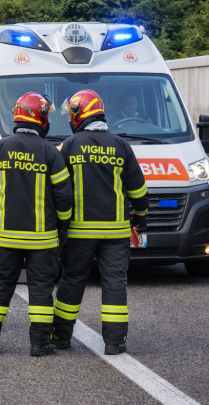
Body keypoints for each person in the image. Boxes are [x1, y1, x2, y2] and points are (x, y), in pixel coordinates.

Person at [0, 92, 73, 357]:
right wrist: (63, 226)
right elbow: (64, 196)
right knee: (41, 290)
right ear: (41, 119)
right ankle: (40, 344)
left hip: (6, 238)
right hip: (43, 240)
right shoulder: (50, 152)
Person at [52, 89, 149, 355]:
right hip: (116, 233)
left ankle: (60, 338)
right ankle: (115, 342)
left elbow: (58, 188)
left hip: (79, 232)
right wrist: (140, 217)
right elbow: (138, 189)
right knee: (115, 283)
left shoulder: (69, 146)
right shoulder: (121, 145)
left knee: (72, 281)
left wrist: (58, 224)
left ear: (80, 115)